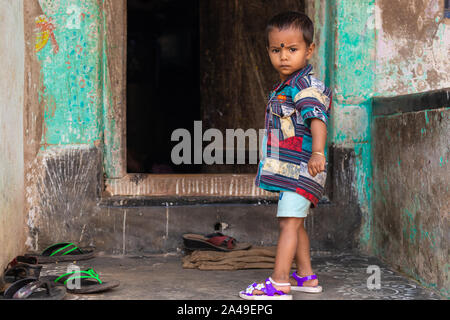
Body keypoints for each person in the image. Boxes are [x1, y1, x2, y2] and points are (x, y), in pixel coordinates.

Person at [239, 11, 332, 300]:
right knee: (293, 220)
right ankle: (305, 276)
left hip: (305, 166)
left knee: (290, 222)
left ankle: (279, 283)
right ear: (268, 50)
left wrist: (318, 152)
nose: (283, 56)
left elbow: (317, 119)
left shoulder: (304, 86)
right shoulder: (287, 86)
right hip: (293, 169)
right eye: (276, 49)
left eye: (292, 49)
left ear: (309, 50)